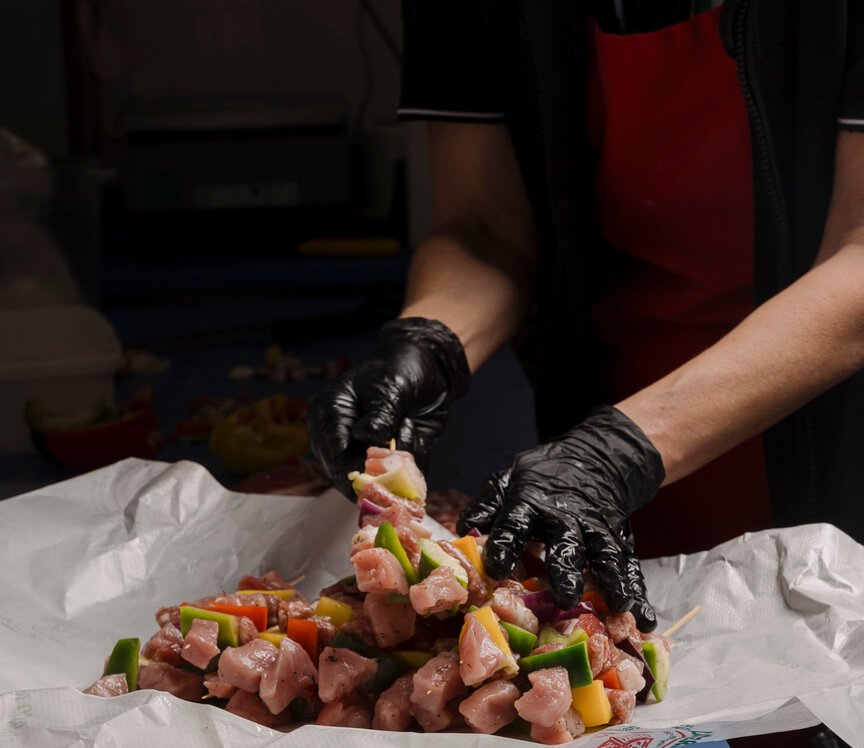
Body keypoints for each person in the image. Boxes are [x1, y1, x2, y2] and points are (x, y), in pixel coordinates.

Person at [310, 0, 864, 635]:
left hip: (828, 438)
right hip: (597, 442)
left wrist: (618, 450)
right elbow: (486, 230)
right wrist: (429, 342)